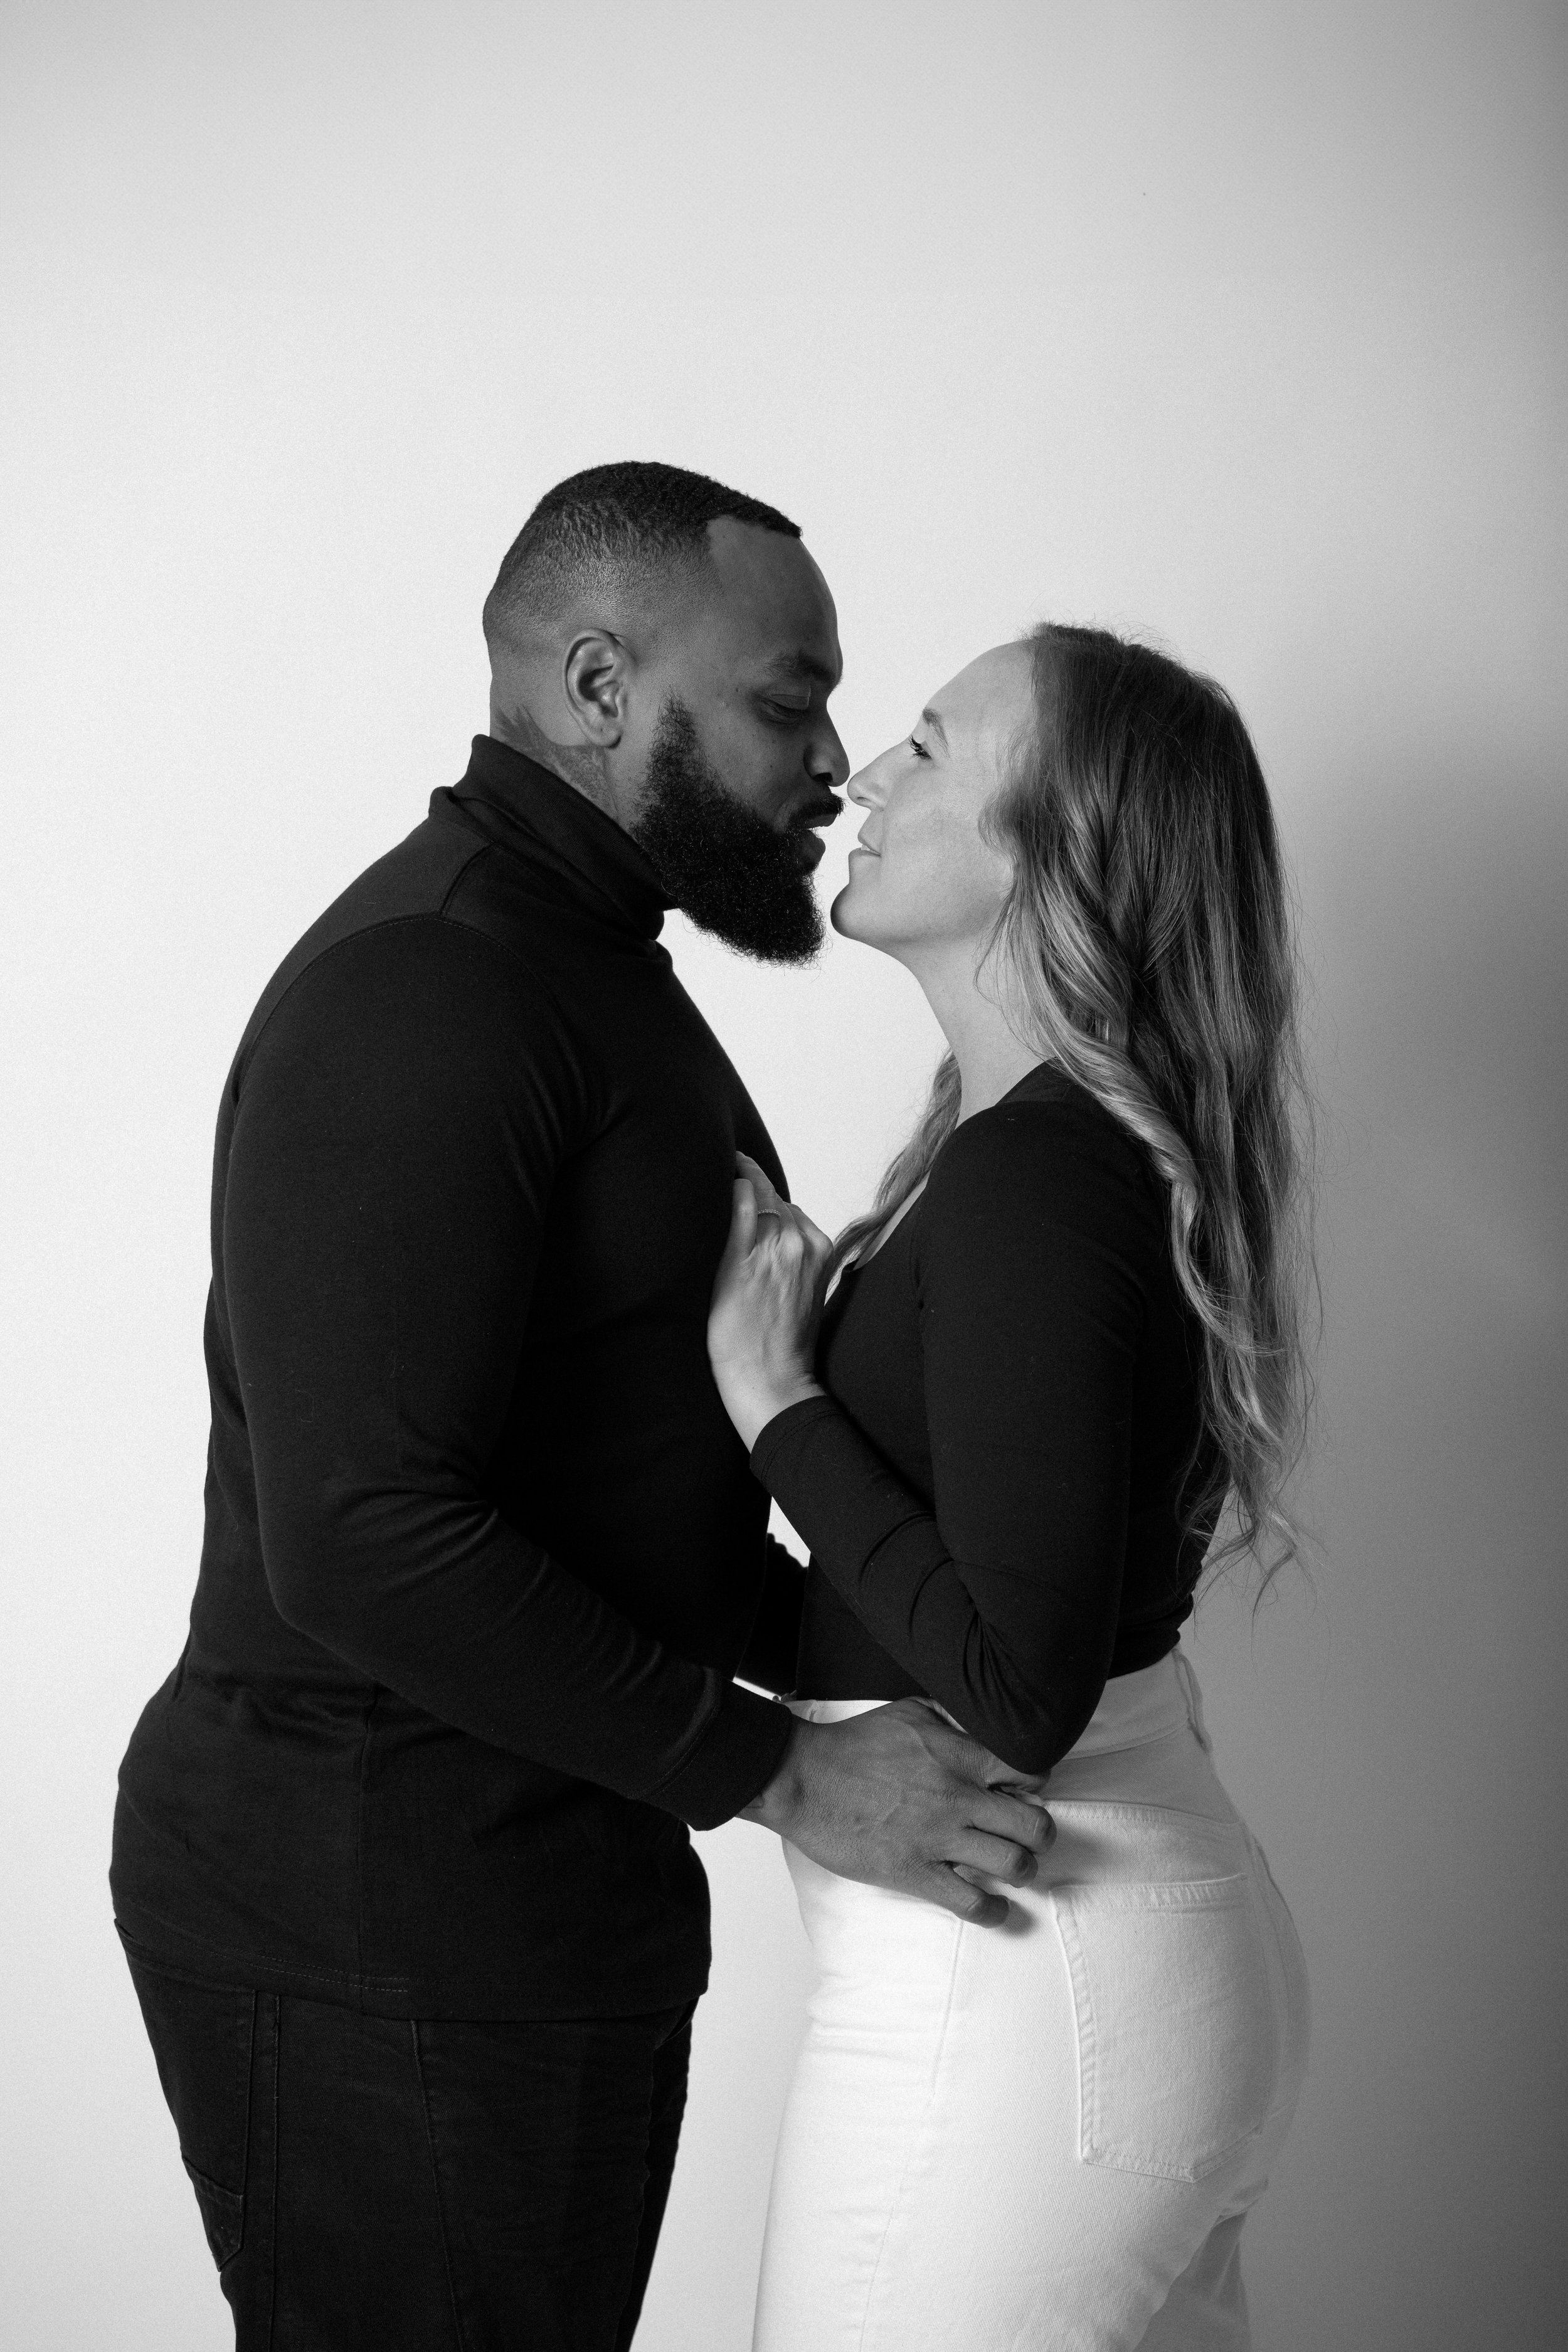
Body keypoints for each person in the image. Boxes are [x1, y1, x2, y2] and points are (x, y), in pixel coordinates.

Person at [110, 463, 1055, 2352]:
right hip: (374, 1915)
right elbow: (360, 1539)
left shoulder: (583, 969)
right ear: (601, 686)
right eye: (787, 699)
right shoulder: (431, 988)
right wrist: (790, 1776)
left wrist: (927, 1647)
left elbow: (628, 1499)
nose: (834, 760)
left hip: (531, 1901)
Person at [707, 622, 1315, 2351]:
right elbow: (928, 1602)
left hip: (1026, 1977)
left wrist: (774, 1401)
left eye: (925, 744)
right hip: (1082, 1964)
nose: (862, 778)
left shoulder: (1035, 1180)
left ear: (1054, 851)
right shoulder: (1024, 1159)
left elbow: (1014, 1691)